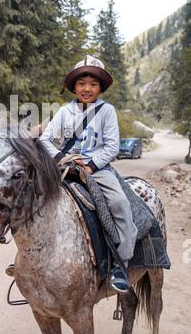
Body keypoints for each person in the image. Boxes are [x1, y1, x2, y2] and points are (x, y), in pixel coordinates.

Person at [39, 55, 138, 293]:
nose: (87, 88)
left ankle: (121, 264)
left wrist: (91, 166)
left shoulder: (106, 112)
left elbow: (112, 146)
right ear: (74, 87)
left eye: (93, 84)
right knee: (33, 197)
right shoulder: (64, 111)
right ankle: (30, 260)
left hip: (97, 169)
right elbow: (45, 140)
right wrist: (61, 159)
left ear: (100, 88)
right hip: (64, 166)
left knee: (120, 203)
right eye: (82, 83)